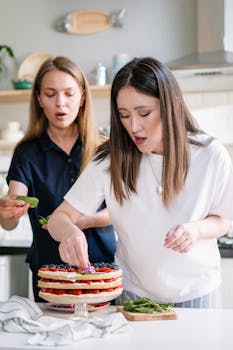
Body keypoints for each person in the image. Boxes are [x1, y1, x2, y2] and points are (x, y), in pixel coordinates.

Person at [47, 57, 233, 308]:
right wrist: (69, 232)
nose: (133, 127)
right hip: (133, 293)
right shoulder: (111, 160)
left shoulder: (210, 154)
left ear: (172, 105)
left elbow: (223, 220)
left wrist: (196, 230)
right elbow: (59, 218)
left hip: (196, 292)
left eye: (144, 113)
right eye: (124, 115)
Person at [0, 56, 116, 301]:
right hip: (50, 272)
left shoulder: (104, 147)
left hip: (101, 268)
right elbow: (11, 215)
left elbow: (121, 209)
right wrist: (7, 213)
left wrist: (84, 221)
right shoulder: (27, 152)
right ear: (39, 99)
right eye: (50, 94)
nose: (60, 103)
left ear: (82, 97)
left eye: (69, 93)